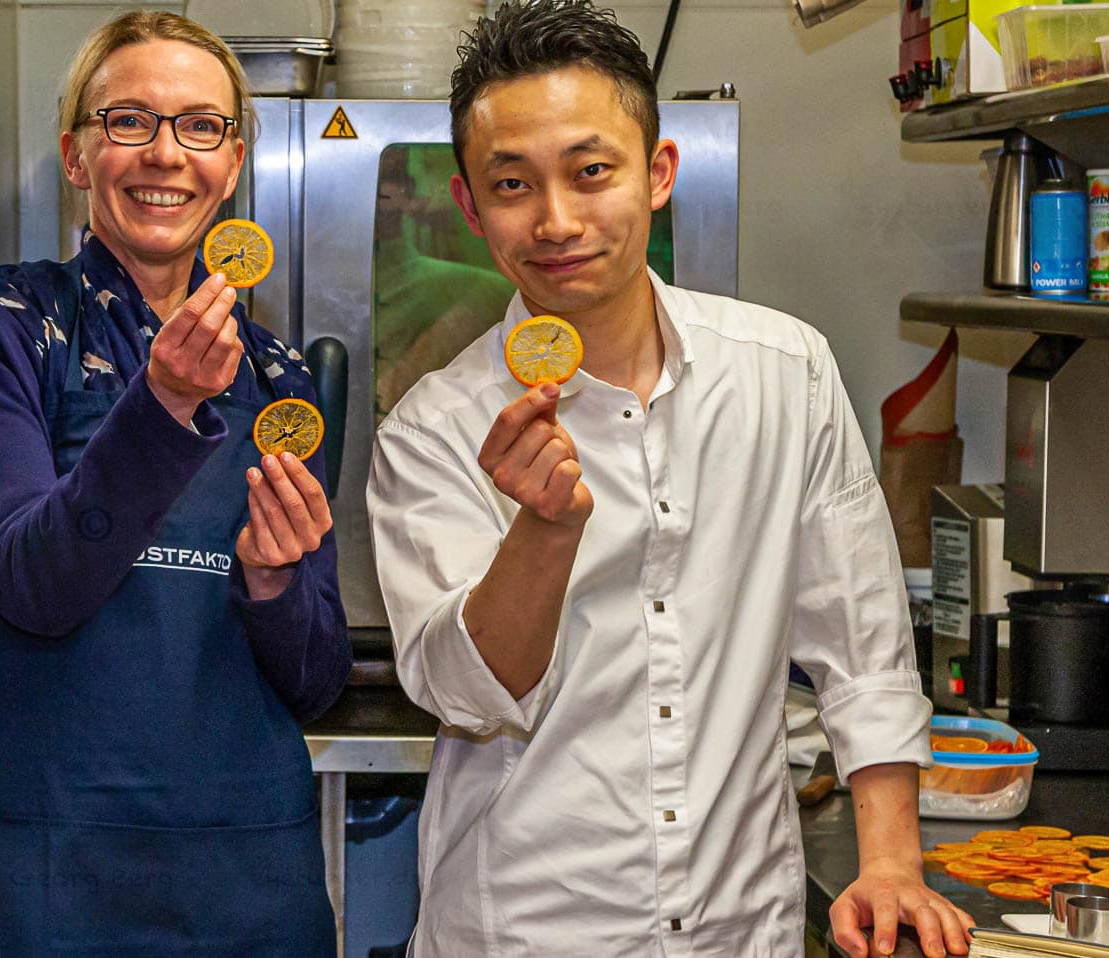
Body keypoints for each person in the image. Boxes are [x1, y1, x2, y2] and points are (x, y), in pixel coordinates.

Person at [365, 2, 976, 955]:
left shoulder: (787, 372)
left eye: (591, 171)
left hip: (741, 928)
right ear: (472, 210)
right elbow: (469, 698)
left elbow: (862, 649)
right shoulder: (434, 428)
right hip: (526, 928)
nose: (556, 220)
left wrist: (890, 862)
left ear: (657, 174)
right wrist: (546, 531)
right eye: (513, 185)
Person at [0, 12, 349, 955]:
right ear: (76, 155)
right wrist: (165, 405)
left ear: (232, 165)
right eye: (130, 121)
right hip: (25, 874)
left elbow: (313, 678)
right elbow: (33, 583)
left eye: (200, 126)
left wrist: (271, 584)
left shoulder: (279, 380)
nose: (166, 154)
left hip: (241, 881)